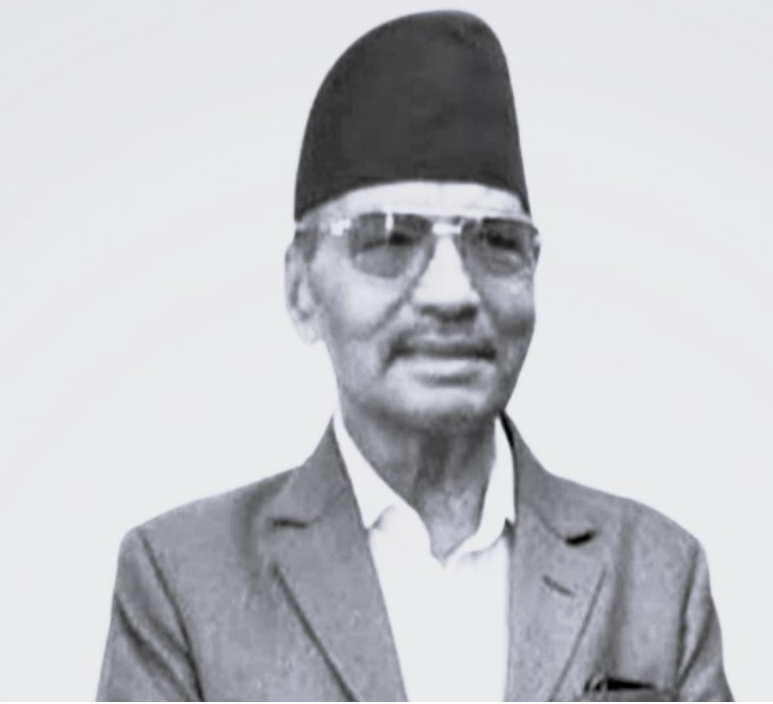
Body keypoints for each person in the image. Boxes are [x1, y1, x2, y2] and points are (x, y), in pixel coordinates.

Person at [97, 11, 732, 702]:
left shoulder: (655, 576)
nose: (452, 293)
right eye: (388, 240)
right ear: (301, 289)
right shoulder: (186, 584)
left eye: (495, 242)